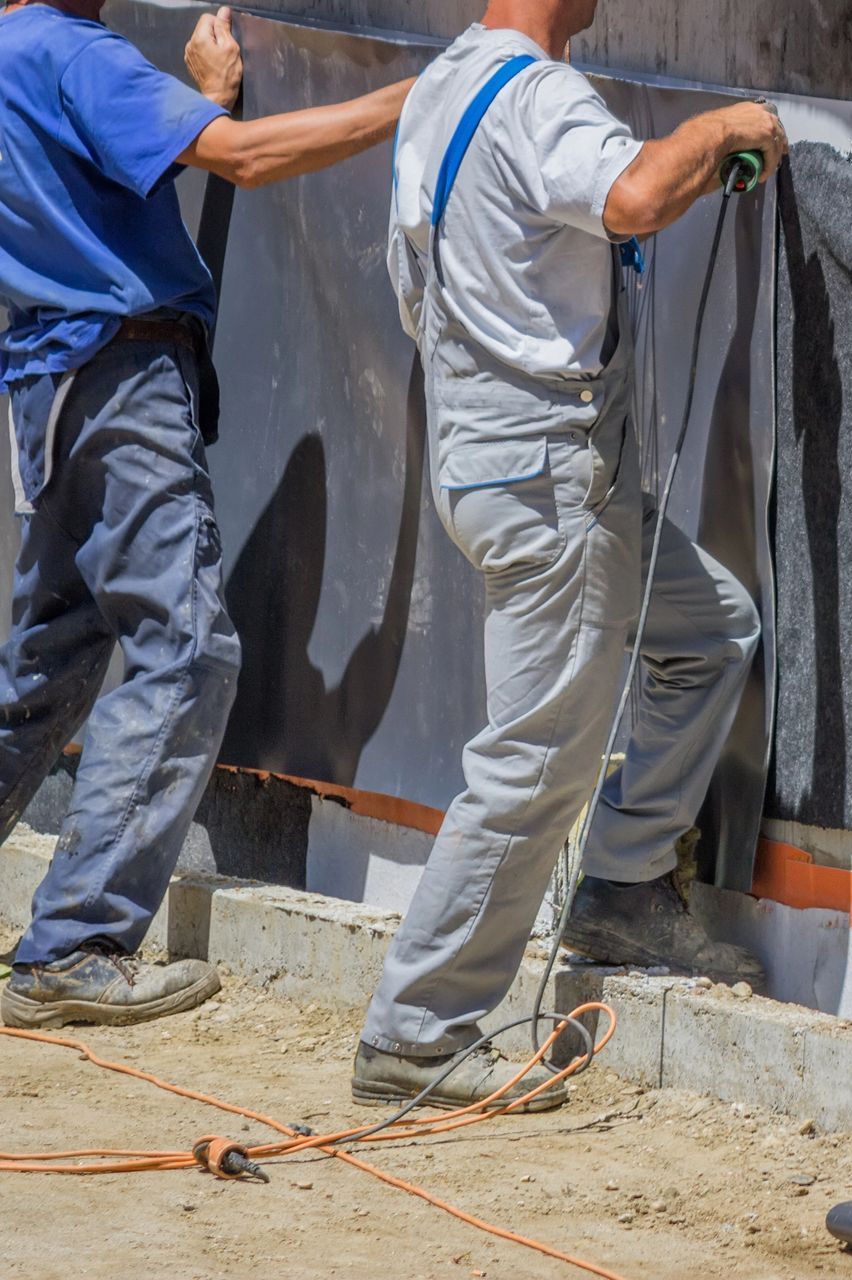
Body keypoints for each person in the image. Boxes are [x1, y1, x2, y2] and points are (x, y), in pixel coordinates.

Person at [354, 0, 786, 1113]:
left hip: (490, 457)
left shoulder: (443, 86)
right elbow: (635, 194)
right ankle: (418, 1028)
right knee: (538, 760)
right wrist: (723, 127)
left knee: (710, 627)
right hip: (550, 481)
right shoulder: (540, 95)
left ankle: (627, 881)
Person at [0, 1, 413, 1029]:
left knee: (47, 663)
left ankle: (71, 940)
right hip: (121, 378)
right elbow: (250, 158)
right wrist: (417, 98)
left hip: (52, 388)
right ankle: (75, 945)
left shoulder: (14, 58)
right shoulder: (71, 54)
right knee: (187, 649)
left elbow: (84, 192)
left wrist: (200, 105)